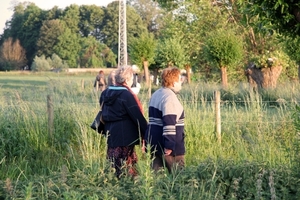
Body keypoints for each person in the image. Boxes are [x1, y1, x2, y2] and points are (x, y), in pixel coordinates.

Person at [99, 66, 148, 178]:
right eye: (131, 79)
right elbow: (137, 116)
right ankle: (127, 189)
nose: (132, 82)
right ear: (126, 80)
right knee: (127, 166)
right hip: (125, 136)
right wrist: (147, 130)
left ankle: (114, 186)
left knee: (113, 163)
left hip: (110, 134)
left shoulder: (105, 93)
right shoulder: (126, 95)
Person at [144, 67, 185, 173]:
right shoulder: (169, 98)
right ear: (174, 82)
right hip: (170, 148)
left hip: (154, 142)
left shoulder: (156, 94)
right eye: (180, 79)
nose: (181, 82)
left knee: (157, 176)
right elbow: (169, 124)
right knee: (178, 175)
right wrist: (169, 146)